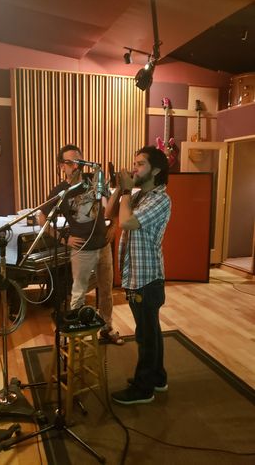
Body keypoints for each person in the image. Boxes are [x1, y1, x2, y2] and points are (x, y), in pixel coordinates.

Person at [38, 144, 124, 345]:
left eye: (78, 161)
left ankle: (106, 328)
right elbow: (41, 217)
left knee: (106, 291)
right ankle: (75, 337)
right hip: (81, 250)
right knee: (78, 293)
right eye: (69, 163)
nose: (75, 166)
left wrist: (114, 225)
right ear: (61, 166)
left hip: (103, 246)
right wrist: (63, 239)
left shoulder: (94, 181)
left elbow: (112, 205)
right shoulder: (60, 191)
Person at [106, 145, 171, 404]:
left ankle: (144, 389)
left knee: (146, 334)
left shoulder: (160, 198)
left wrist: (124, 192)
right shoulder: (137, 196)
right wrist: (120, 190)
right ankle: (158, 378)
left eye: (140, 164)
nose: (134, 168)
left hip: (147, 278)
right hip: (137, 276)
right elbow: (108, 213)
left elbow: (126, 223)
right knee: (151, 330)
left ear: (155, 170)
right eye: (134, 163)